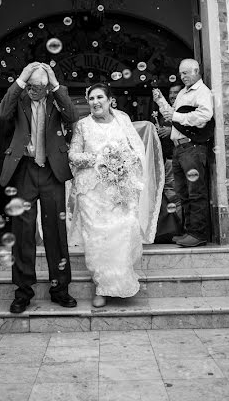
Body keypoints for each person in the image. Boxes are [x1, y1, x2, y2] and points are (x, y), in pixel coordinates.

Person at [0, 62, 78, 314]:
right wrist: (21, 78)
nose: (33, 90)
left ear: (46, 87)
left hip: (52, 171)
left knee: (55, 231)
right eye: (29, 86)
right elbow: (0, 114)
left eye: (38, 87)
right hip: (24, 171)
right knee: (22, 232)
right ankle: (23, 291)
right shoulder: (18, 98)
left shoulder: (55, 99)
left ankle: (60, 289)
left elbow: (72, 116)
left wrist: (54, 82)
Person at [69, 83, 148, 307]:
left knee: (123, 232)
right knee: (98, 240)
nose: (95, 102)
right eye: (91, 98)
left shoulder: (122, 121)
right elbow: (73, 155)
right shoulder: (82, 125)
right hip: (92, 193)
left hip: (119, 190)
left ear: (110, 100)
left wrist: (121, 163)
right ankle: (102, 287)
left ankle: (121, 280)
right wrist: (100, 158)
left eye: (100, 97)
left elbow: (136, 152)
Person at [153, 58, 214, 247]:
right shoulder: (182, 93)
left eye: (186, 73)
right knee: (183, 193)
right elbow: (173, 117)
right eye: (180, 73)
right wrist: (160, 100)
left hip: (192, 147)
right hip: (179, 147)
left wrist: (177, 116)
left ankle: (198, 234)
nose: (182, 76)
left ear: (196, 71)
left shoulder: (202, 92)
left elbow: (205, 115)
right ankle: (189, 231)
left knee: (196, 192)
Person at [153, 83, 183, 243]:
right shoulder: (166, 112)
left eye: (175, 92)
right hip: (165, 159)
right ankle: (172, 228)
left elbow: (191, 129)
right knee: (166, 193)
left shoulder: (183, 110)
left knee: (174, 194)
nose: (172, 95)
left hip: (174, 158)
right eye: (170, 92)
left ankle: (178, 228)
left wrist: (171, 131)